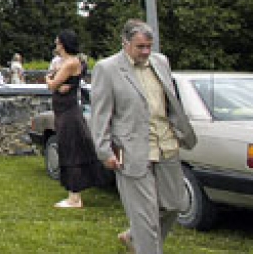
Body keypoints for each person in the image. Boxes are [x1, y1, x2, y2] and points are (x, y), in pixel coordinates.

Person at [90, 19, 197, 254]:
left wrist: (179, 132)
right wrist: (104, 151)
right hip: (130, 151)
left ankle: (134, 237)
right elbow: (100, 115)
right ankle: (144, 243)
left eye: (149, 46)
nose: (146, 51)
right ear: (125, 43)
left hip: (166, 145)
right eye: (140, 47)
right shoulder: (107, 69)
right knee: (145, 219)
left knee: (175, 204)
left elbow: (169, 101)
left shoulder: (161, 62)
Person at [45, 30, 104, 208]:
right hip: (63, 111)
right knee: (69, 149)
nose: (56, 45)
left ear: (63, 44)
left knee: (72, 151)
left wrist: (50, 79)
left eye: (57, 43)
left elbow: (52, 84)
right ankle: (73, 194)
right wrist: (56, 82)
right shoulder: (67, 62)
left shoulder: (71, 62)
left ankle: (75, 197)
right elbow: (58, 84)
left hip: (68, 113)